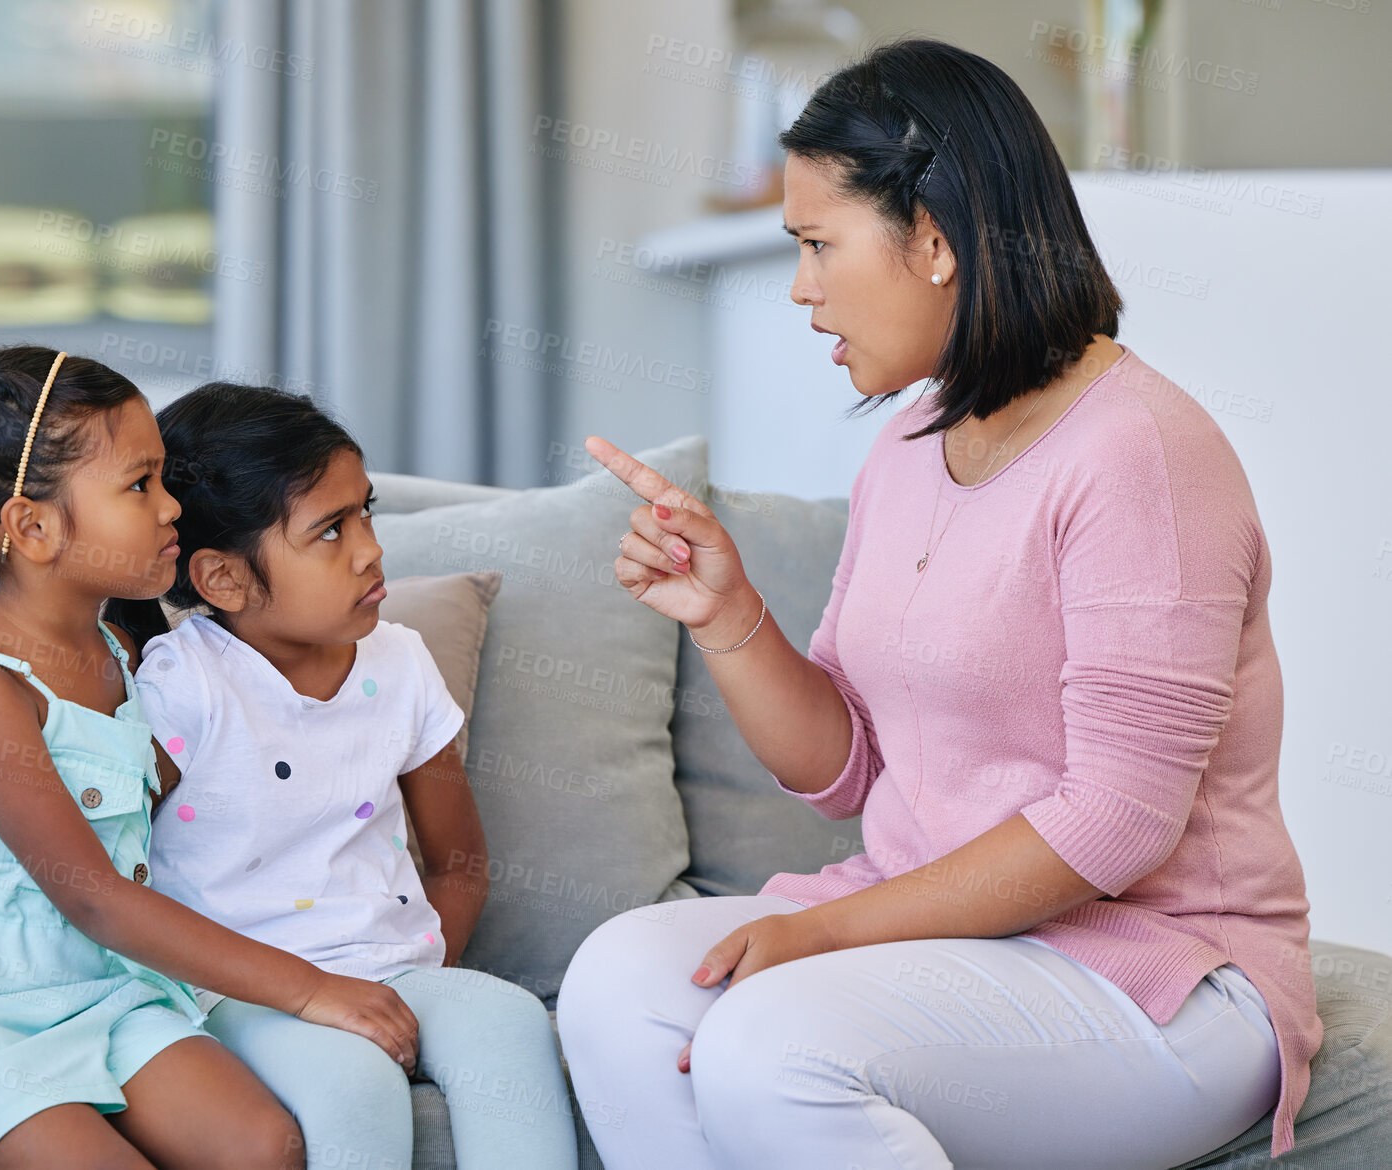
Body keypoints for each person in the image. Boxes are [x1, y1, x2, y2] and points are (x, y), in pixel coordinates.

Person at [556, 37, 1323, 1170]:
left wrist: (819, 935)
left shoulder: (1142, 455)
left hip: (1160, 974)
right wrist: (727, 618)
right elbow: (850, 773)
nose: (801, 287)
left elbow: (1115, 823)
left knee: (769, 1044)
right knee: (618, 980)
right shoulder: (911, 443)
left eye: (818, 244)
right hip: (955, 932)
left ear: (932, 239)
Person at [0, 347, 421, 1170]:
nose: (172, 505)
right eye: (141, 484)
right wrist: (312, 988)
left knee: (264, 1142)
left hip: (102, 989)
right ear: (31, 527)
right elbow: (99, 900)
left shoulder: (121, 646)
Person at [104, 381, 578, 1170]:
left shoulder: (402, 661)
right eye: (329, 530)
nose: (370, 548)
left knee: (510, 1020)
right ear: (222, 579)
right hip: (236, 993)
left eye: (367, 512)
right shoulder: (181, 686)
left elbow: (460, 864)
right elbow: (109, 878)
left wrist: (416, 980)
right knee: (349, 1082)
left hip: (393, 968)